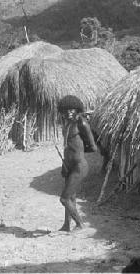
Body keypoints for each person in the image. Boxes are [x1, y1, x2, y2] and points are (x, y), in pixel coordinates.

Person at [57, 95, 97, 232]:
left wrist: (78, 152)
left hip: (79, 166)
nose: (69, 112)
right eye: (66, 110)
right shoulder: (67, 124)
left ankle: (80, 224)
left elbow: (93, 147)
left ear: (77, 109)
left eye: (72, 109)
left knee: (64, 198)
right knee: (71, 196)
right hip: (69, 166)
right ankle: (66, 225)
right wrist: (65, 164)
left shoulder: (82, 123)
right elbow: (66, 147)